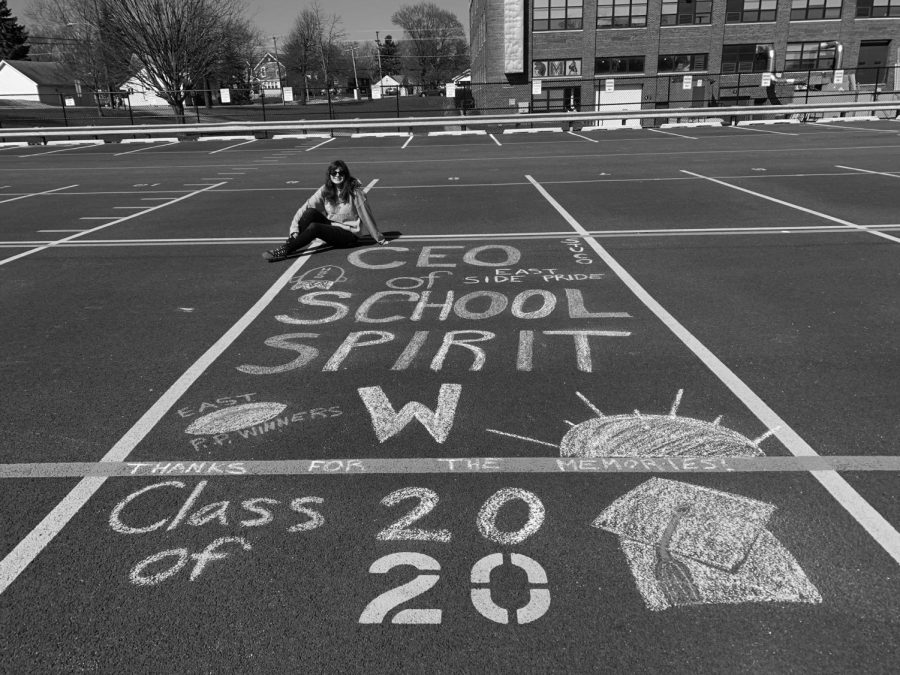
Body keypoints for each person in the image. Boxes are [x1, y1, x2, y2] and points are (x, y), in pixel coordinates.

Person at [263, 160, 387, 262]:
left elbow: (366, 215)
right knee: (309, 213)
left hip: (349, 236)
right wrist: (293, 230)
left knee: (315, 227)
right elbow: (305, 207)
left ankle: (285, 251)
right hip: (332, 228)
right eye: (334, 172)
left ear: (346, 174)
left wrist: (379, 238)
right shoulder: (325, 190)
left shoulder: (355, 192)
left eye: (341, 172)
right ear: (330, 175)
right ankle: (291, 242)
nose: (337, 175)